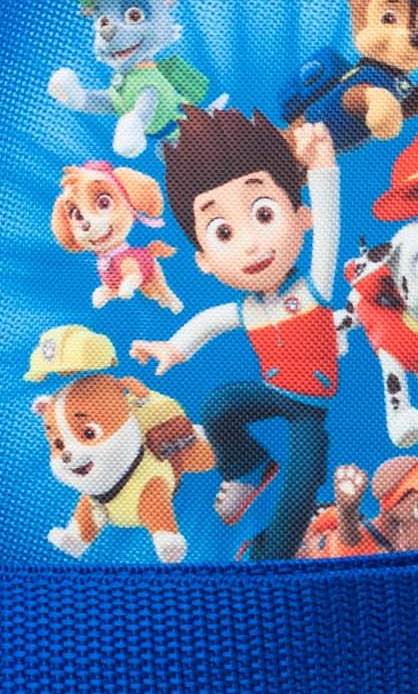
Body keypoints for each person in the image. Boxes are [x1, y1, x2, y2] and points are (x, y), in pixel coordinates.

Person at [131, 107, 340, 561]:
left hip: (311, 406)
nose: (250, 244)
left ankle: (270, 555)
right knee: (219, 407)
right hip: (273, 390)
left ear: (300, 216)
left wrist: (323, 166)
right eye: (223, 232)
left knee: (303, 481)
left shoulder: (312, 290)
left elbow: (328, 232)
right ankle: (248, 466)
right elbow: (210, 322)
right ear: (204, 259)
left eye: (264, 213)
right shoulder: (250, 308)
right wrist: (173, 347)